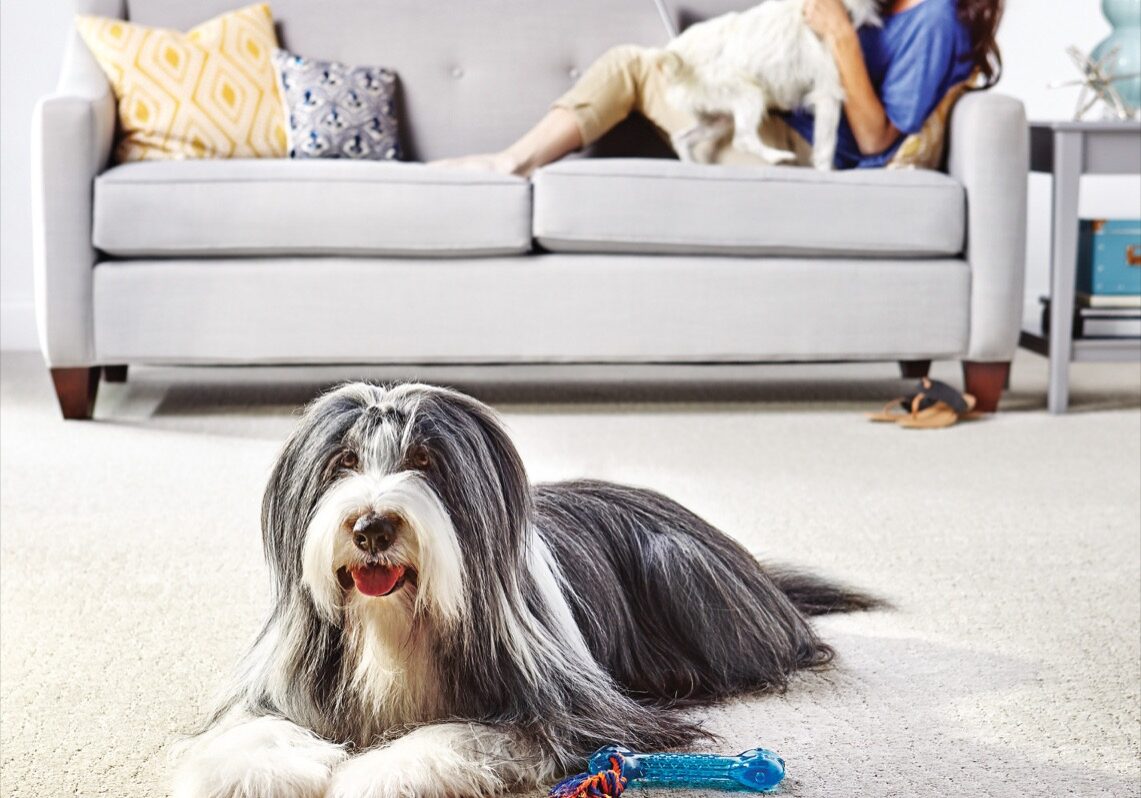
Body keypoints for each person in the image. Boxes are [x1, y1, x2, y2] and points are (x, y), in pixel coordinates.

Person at [434, 0, 1003, 175]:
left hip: (802, 158)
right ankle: (513, 163)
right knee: (647, 66)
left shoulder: (934, 20)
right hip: (770, 124)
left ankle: (510, 164)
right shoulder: (886, 5)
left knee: (636, 65)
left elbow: (878, 140)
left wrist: (840, 38)